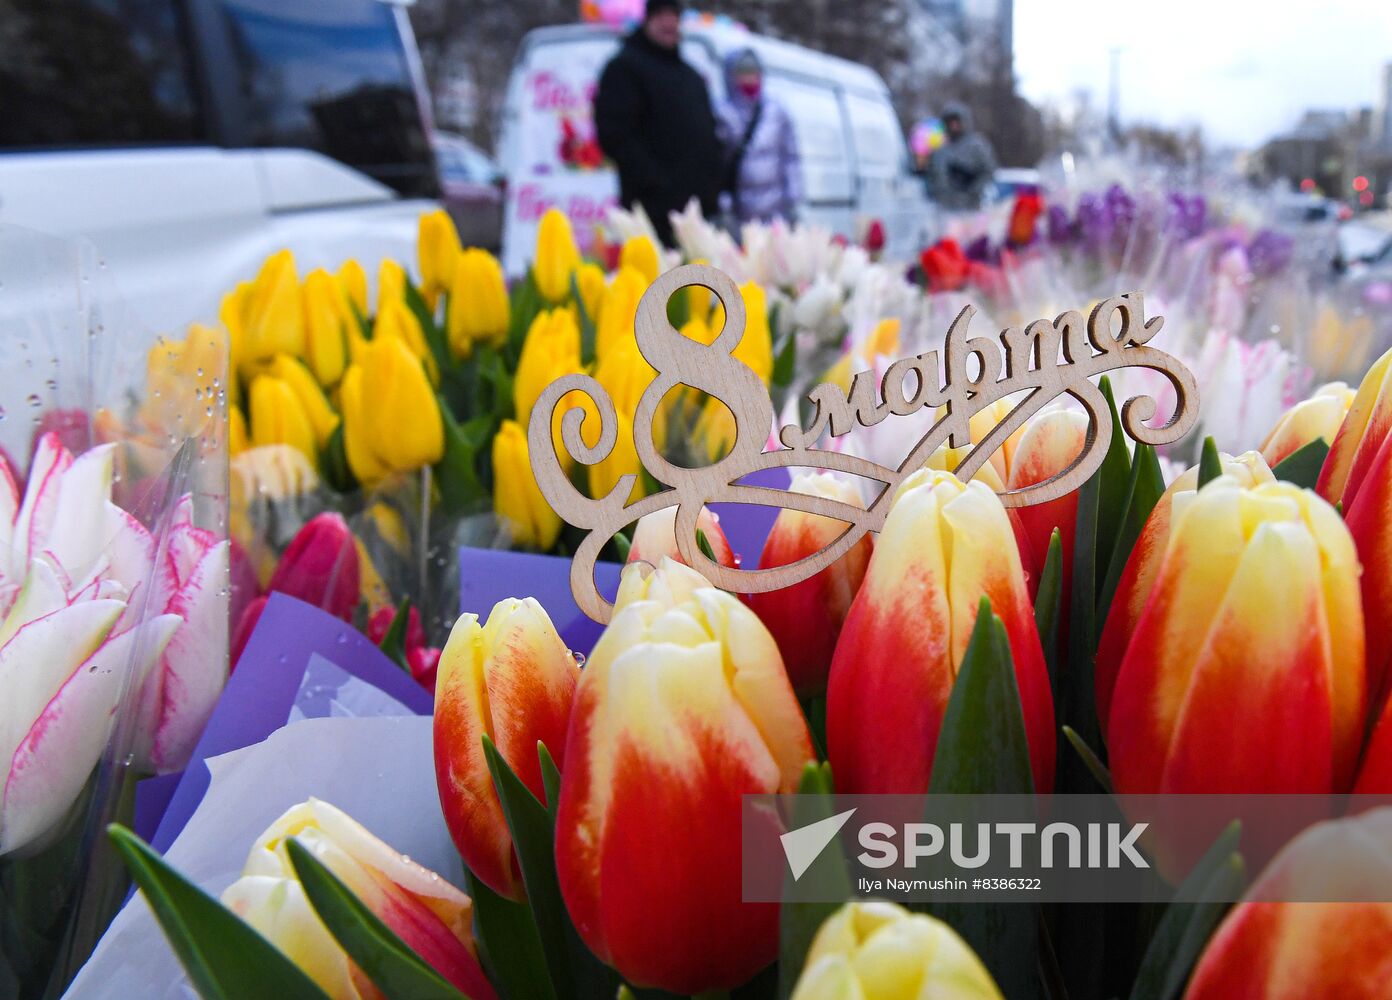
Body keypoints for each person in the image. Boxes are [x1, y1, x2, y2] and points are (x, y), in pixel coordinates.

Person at [593, 0, 722, 247]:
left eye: (673, 15)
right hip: (652, 213)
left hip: (696, 214)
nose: (668, 22)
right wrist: (657, 182)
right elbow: (614, 134)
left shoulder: (690, 75)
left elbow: (708, 134)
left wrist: (712, 187)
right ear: (647, 20)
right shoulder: (624, 68)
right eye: (660, 15)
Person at [716, 48, 801, 227]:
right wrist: (723, 205)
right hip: (740, 216)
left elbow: (791, 158)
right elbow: (717, 165)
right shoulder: (722, 114)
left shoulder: (776, 112)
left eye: (753, 73)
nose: (749, 79)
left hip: (775, 214)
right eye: (743, 73)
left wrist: (793, 200)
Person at [928, 102, 997, 212]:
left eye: (957, 121)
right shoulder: (940, 149)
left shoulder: (976, 146)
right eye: (950, 122)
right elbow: (933, 176)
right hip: (944, 209)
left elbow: (989, 171)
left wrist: (973, 186)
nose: (954, 125)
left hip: (971, 208)